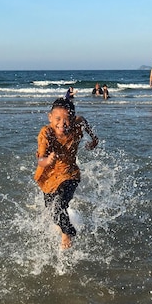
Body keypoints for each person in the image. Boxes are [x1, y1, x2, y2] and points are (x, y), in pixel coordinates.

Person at [34, 98, 99, 249]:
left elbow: (83, 121)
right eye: (58, 119)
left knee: (60, 205)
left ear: (72, 118)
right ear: (50, 117)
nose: (62, 123)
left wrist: (94, 140)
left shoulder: (77, 125)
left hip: (70, 175)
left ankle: (67, 235)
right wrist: (48, 160)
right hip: (49, 178)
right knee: (52, 212)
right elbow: (40, 161)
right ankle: (65, 228)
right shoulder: (46, 133)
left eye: (67, 119)